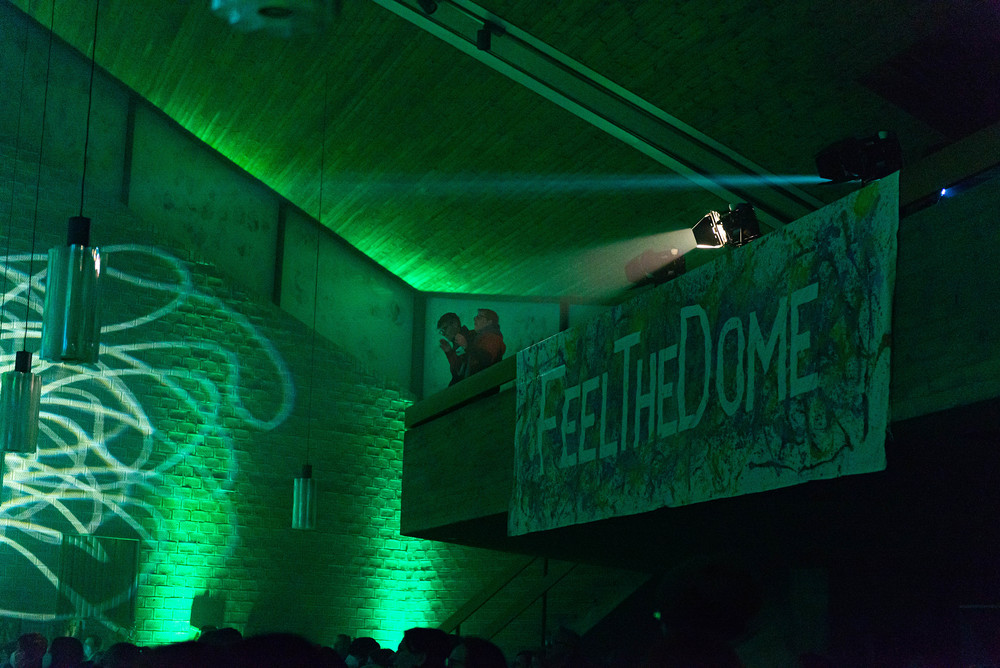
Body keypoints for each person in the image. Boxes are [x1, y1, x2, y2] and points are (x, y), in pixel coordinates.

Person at [465, 309, 505, 376]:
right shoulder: (478, 337)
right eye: (475, 317)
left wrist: (466, 346)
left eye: (479, 317)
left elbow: (485, 358)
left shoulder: (493, 338)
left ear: (489, 322)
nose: (475, 319)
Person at [437, 312, 473, 386]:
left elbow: (462, 373)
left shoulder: (471, 337)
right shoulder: (456, 344)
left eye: (445, 329)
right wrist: (449, 352)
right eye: (442, 331)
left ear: (455, 324)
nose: (444, 334)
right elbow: (456, 371)